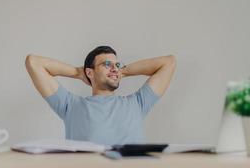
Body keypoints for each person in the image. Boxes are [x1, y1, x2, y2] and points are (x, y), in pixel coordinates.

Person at [25, 46, 176, 145]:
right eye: (107, 64)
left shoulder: (138, 103)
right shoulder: (70, 105)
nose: (115, 69)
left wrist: (123, 71)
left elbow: (169, 63)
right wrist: (78, 73)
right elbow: (33, 62)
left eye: (117, 65)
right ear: (90, 72)